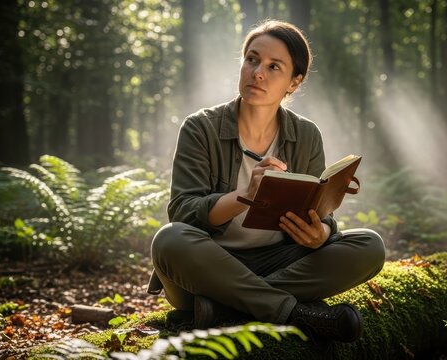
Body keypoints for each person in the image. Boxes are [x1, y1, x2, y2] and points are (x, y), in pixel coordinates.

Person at [147, 19, 385, 343]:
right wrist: (245, 195)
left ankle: (222, 311)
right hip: (210, 266)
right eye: (252, 59)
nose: (258, 72)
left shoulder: (306, 135)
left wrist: (321, 234)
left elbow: (320, 210)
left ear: (294, 82)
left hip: (279, 263)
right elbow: (183, 213)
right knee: (169, 240)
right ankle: (295, 313)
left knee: (369, 246)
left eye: (274, 66)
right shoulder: (200, 128)